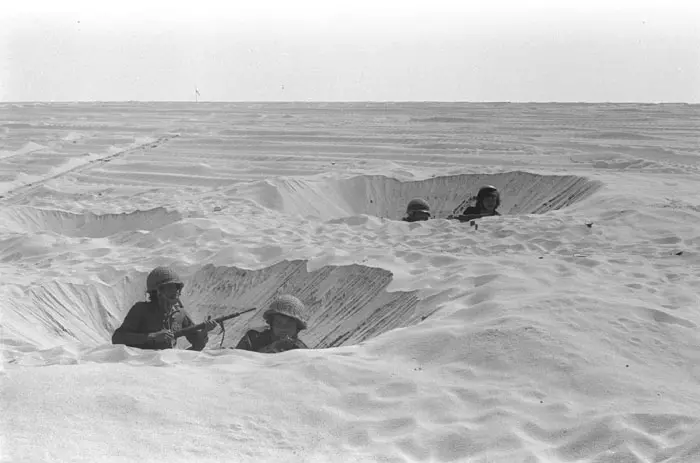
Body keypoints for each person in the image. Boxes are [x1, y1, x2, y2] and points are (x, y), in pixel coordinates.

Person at [112, 266, 217, 351]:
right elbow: (117, 338)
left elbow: (197, 346)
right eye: (170, 287)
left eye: (177, 287)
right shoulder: (140, 310)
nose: (175, 291)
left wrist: (204, 332)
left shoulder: (181, 313)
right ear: (158, 292)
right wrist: (152, 337)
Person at [235, 294, 309, 353]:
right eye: (278, 323)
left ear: (297, 328)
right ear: (271, 324)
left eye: (288, 325)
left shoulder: (302, 351)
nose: (283, 328)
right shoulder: (253, 339)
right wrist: (269, 349)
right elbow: (235, 361)